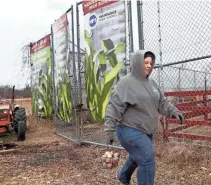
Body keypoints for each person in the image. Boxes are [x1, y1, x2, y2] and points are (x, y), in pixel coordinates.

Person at [104, 50, 184, 185]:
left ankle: (123, 176)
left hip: (146, 130)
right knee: (147, 158)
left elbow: (162, 102)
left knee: (138, 155)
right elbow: (114, 107)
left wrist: (174, 111)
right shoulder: (126, 83)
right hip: (128, 129)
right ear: (137, 63)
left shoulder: (152, 83)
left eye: (150, 63)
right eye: (145, 62)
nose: (148, 65)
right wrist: (109, 131)